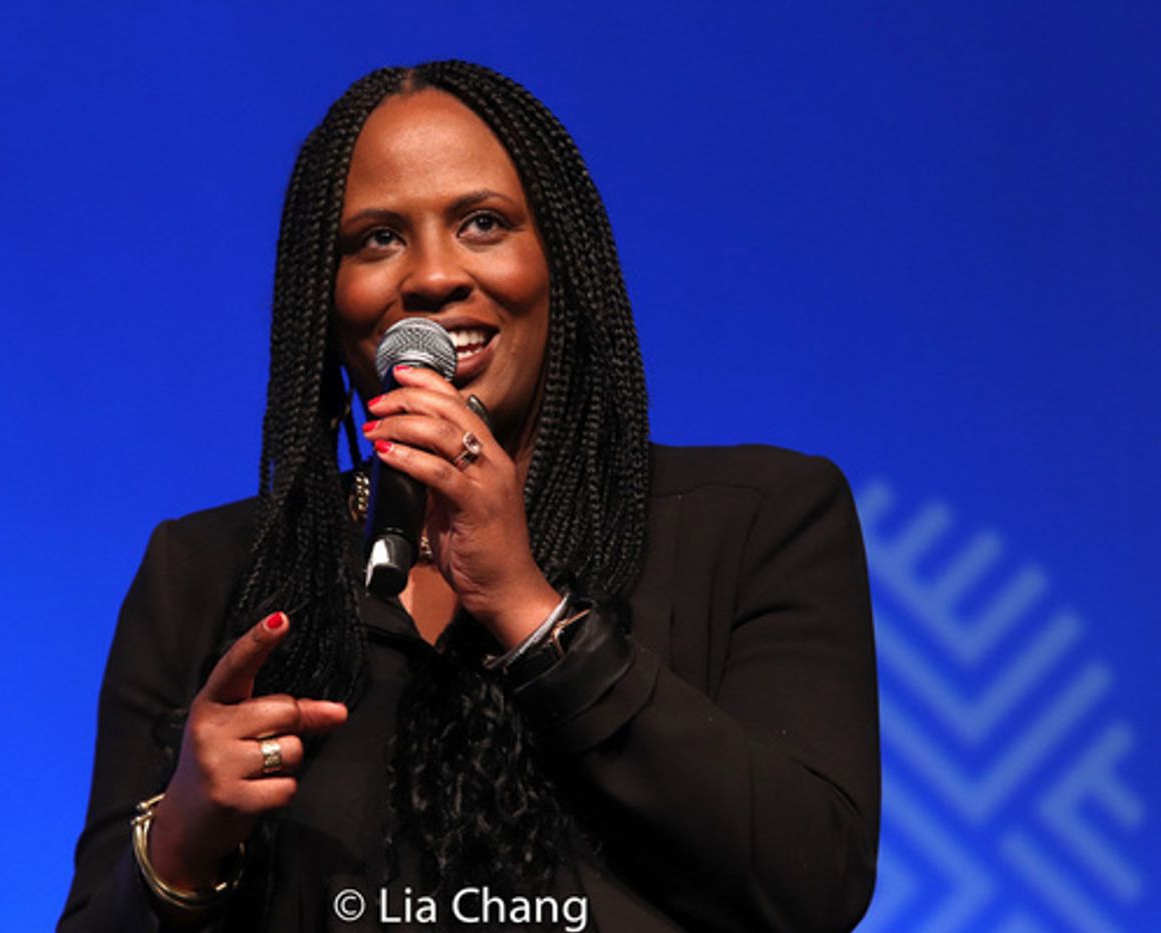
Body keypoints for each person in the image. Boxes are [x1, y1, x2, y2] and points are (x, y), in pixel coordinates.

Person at [59, 60, 879, 932]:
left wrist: (530, 612)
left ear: (558, 259)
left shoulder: (758, 521)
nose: (433, 276)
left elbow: (813, 882)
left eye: (483, 223)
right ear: (323, 301)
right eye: (377, 238)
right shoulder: (208, 573)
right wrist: (182, 842)